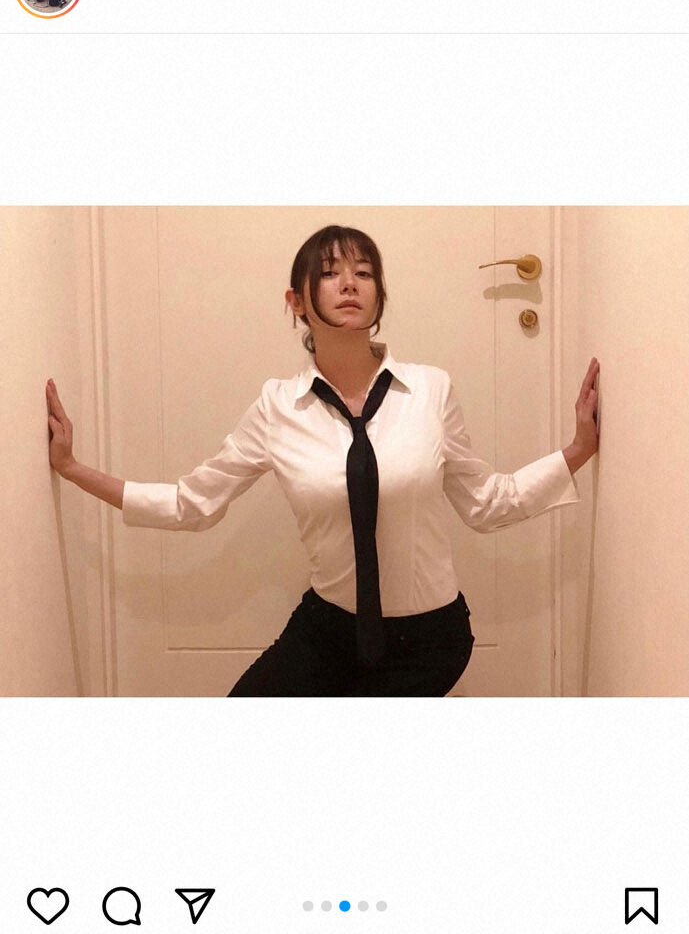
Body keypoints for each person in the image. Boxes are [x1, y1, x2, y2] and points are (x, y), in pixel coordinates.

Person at [46, 224, 600, 696]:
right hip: (328, 630)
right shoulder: (277, 406)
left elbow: (486, 503)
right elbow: (193, 503)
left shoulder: (430, 390)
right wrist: (72, 468)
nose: (350, 283)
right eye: (331, 272)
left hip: (430, 638)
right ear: (296, 301)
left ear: (380, 296)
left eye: (364, 272)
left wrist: (577, 450)